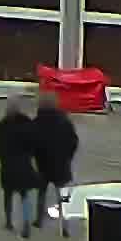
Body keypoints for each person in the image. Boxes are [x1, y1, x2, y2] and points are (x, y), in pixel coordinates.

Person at [27, 89, 80, 228]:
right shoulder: (64, 122)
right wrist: (68, 157)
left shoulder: (36, 123)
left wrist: (34, 157)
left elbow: (30, 143)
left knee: (41, 194)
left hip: (43, 164)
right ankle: (65, 224)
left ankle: (39, 220)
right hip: (61, 165)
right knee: (61, 195)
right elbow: (73, 141)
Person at [0, 93, 45, 236]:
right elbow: (33, 144)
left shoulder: (3, 126)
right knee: (24, 196)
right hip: (23, 164)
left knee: (8, 196)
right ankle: (26, 223)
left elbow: (0, 148)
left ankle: (9, 222)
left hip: (8, 166)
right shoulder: (27, 124)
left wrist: (3, 160)